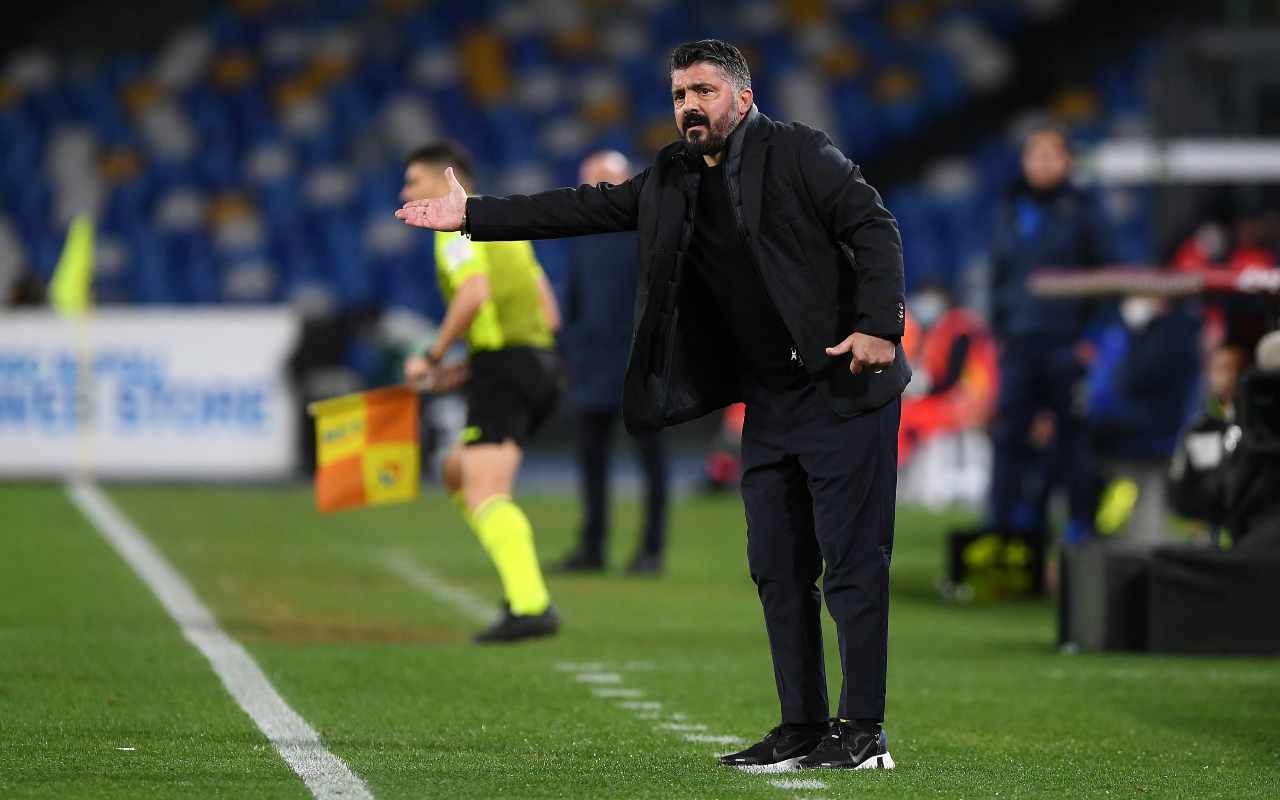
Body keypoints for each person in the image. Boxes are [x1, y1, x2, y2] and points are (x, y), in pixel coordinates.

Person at [398, 39, 908, 771]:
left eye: (703, 90)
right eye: (678, 95)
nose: (689, 106)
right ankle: (801, 726)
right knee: (775, 565)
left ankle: (863, 732)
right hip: (769, 399)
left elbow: (873, 224)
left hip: (843, 387)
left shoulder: (800, 152)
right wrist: (473, 213)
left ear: (742, 96)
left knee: (853, 566)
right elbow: (582, 207)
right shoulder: (672, 174)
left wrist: (878, 326)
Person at [399, 141, 563, 643]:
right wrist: (465, 368)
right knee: (456, 471)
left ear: (444, 180)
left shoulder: (454, 225)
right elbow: (548, 314)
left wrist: (431, 357)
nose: (405, 192)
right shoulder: (505, 228)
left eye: (412, 181)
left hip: (506, 367)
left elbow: (474, 294)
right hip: (539, 365)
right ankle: (524, 591)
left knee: (485, 490)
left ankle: (530, 604)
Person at [987, 122, 1113, 543]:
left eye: (1049, 154)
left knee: (1074, 440)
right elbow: (999, 277)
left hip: (1067, 345)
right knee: (1008, 438)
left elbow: (1108, 278)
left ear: (1067, 161)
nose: (1040, 163)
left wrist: (1091, 340)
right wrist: (1000, 331)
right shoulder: (1009, 208)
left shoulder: (1085, 211)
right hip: (1020, 345)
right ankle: (1002, 530)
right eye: (1033, 155)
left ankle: (1081, 527)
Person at [554, 150, 670, 576]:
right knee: (591, 460)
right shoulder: (583, 233)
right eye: (589, 182)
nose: (593, 190)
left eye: (602, 181)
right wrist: (568, 350)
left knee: (650, 461)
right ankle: (592, 547)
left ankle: (651, 551)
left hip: (637, 362)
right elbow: (576, 299)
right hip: (591, 362)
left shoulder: (649, 229)